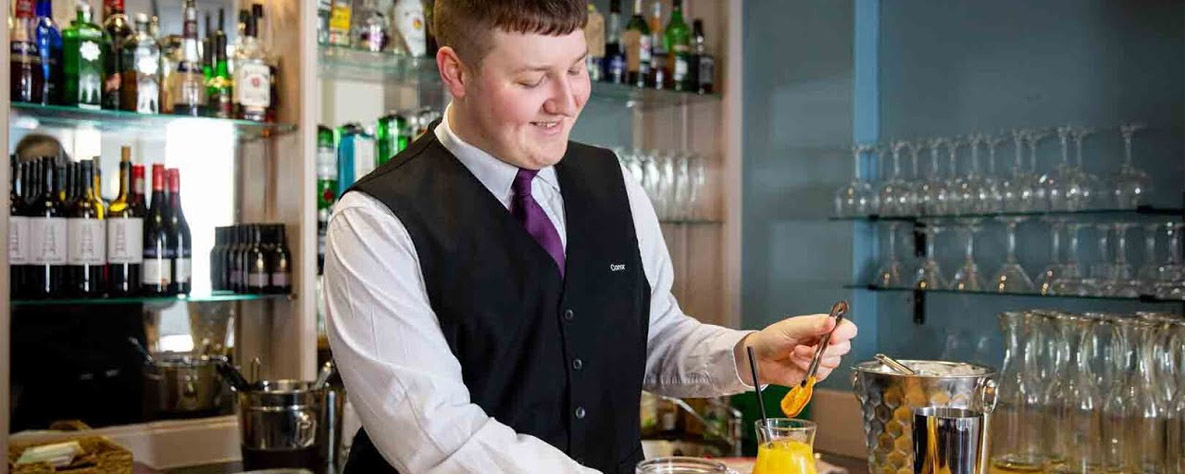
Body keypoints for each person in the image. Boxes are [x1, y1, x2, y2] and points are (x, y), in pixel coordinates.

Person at [323, 1, 859, 473]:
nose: (566, 101)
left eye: (577, 69)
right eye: (532, 81)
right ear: (455, 72)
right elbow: (433, 436)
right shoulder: (376, 221)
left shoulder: (611, 179)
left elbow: (651, 338)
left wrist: (747, 356)